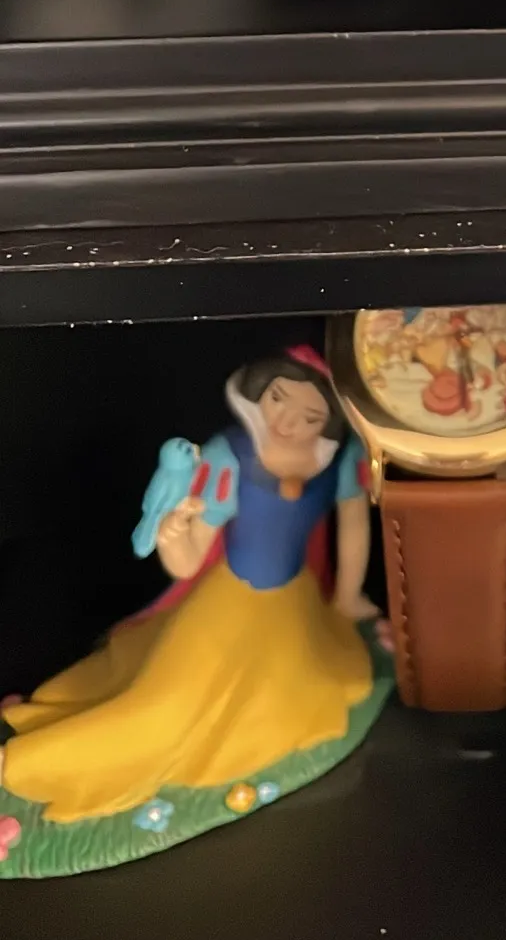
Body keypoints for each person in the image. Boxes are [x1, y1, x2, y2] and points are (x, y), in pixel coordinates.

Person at [0, 348, 377, 825]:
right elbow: (187, 562)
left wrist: (347, 596)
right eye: (278, 398)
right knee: (165, 707)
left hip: (293, 609)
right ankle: (30, 762)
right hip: (229, 601)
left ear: (329, 423)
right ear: (257, 392)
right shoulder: (228, 458)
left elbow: (354, 525)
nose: (286, 422)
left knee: (295, 699)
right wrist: (172, 533)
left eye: (309, 417)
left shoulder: (341, 458)